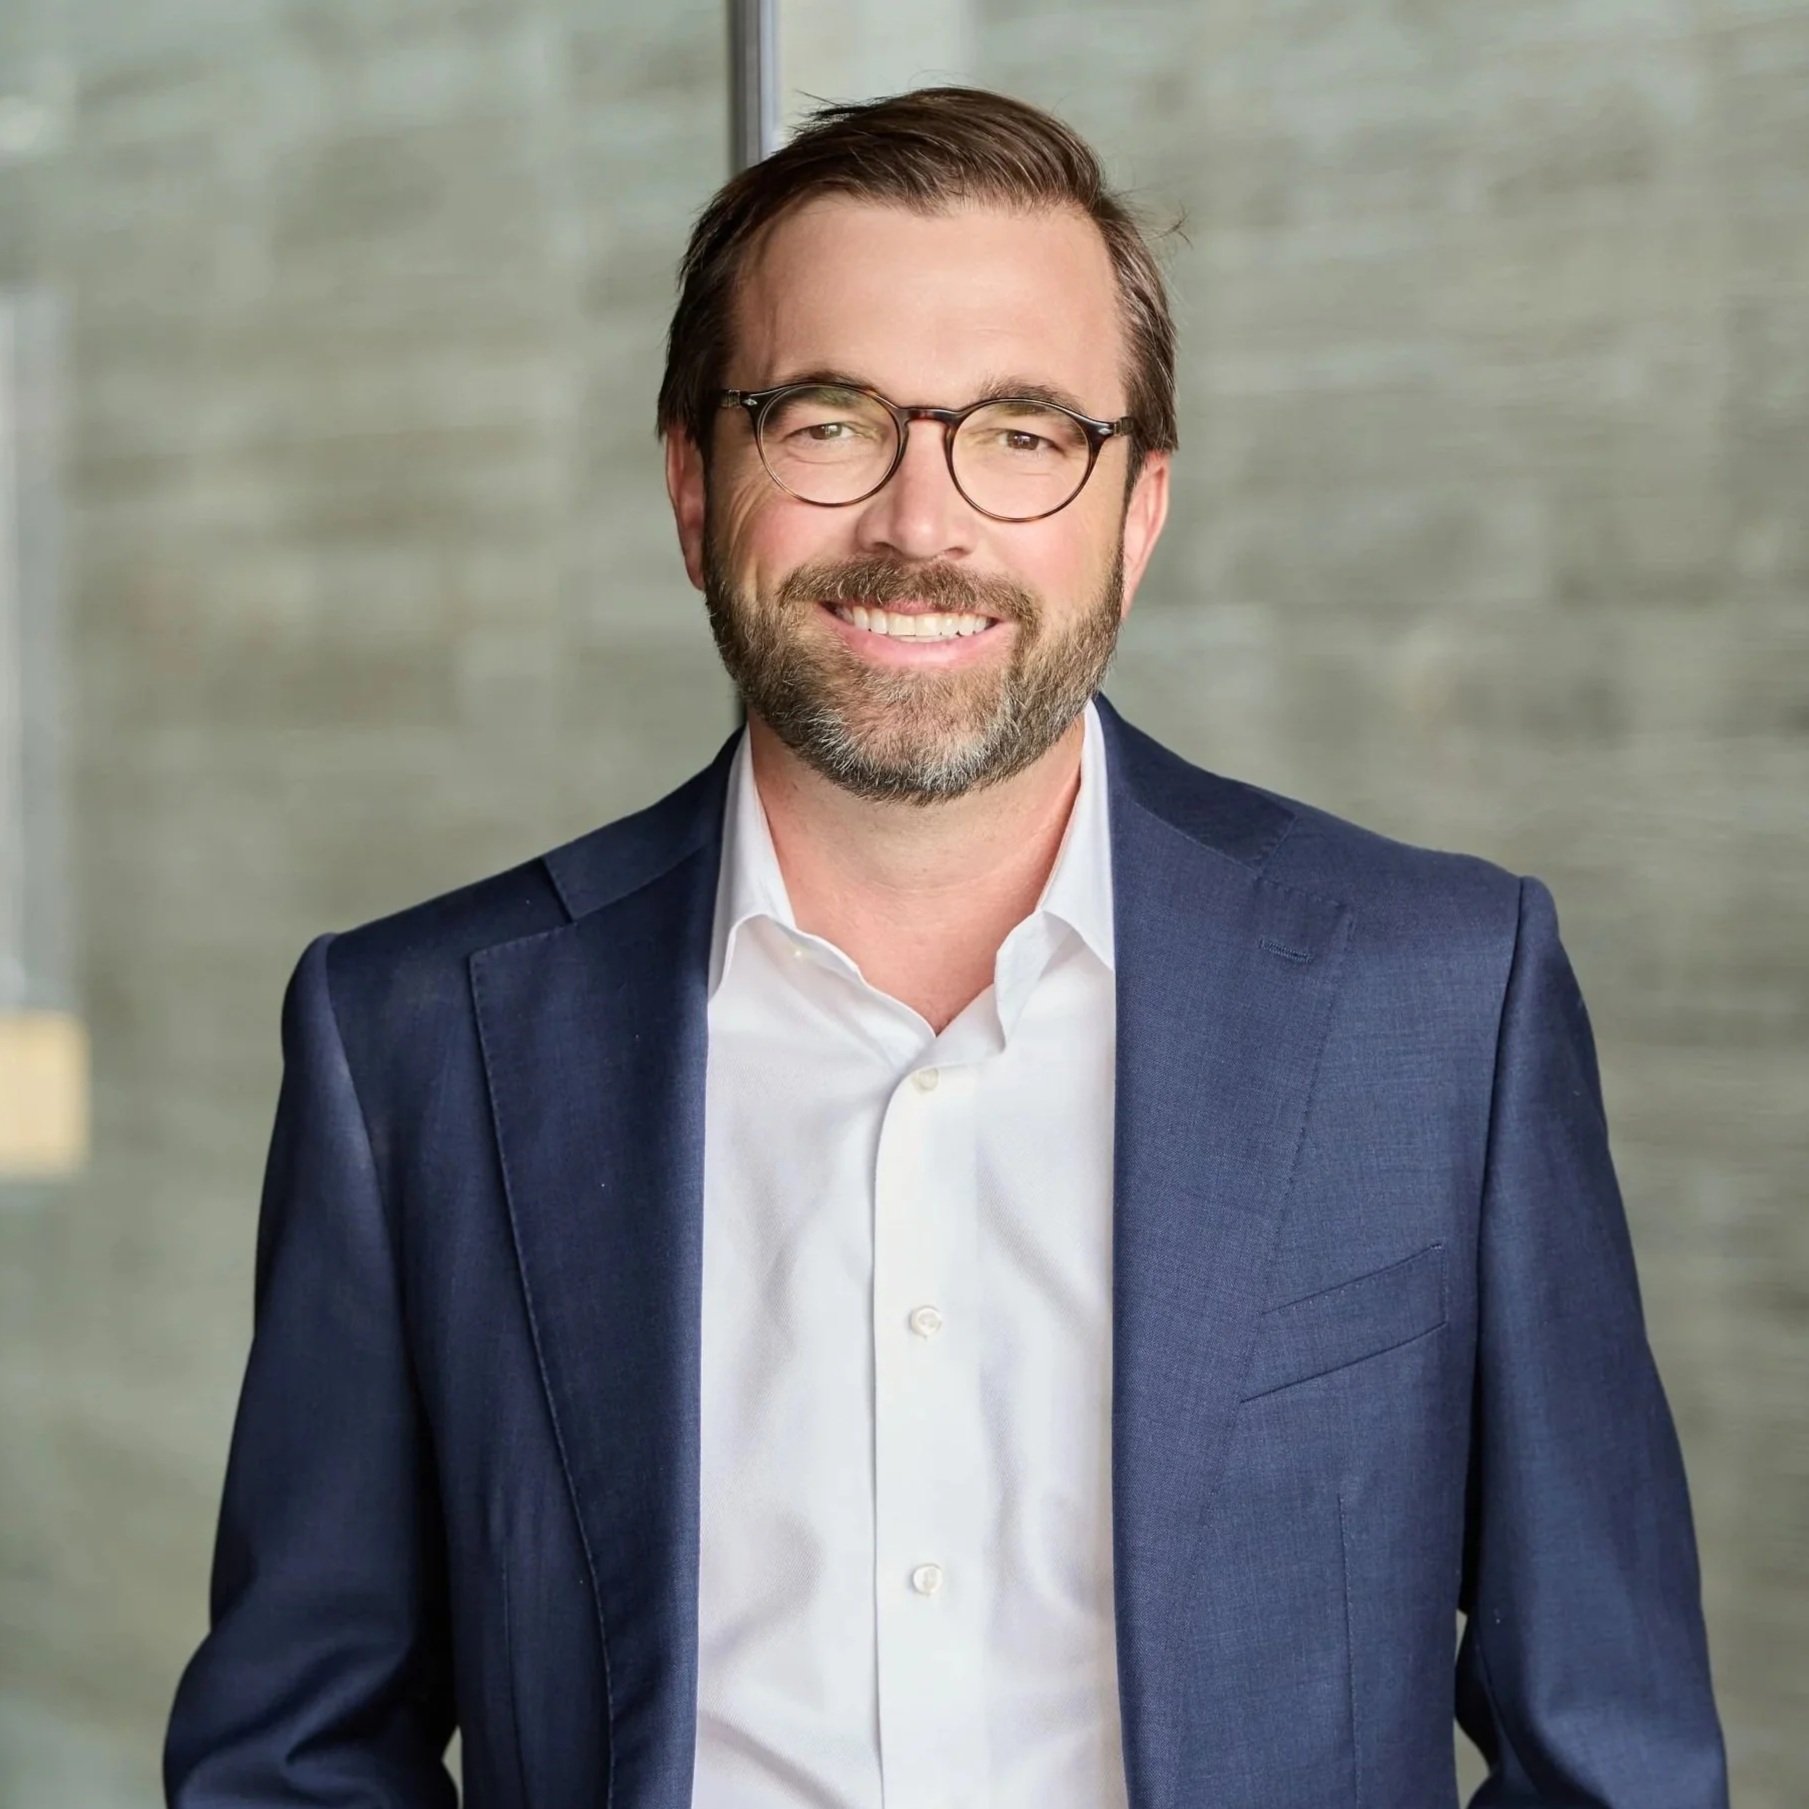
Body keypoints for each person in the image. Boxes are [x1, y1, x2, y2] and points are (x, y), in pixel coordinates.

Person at [163, 86, 1728, 1809]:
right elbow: (297, 1755)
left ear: (1134, 512)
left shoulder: (1443, 1002)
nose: (922, 523)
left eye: (1023, 432)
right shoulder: (414, 1041)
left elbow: (1615, 1758)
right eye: (828, 423)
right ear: (694, 484)